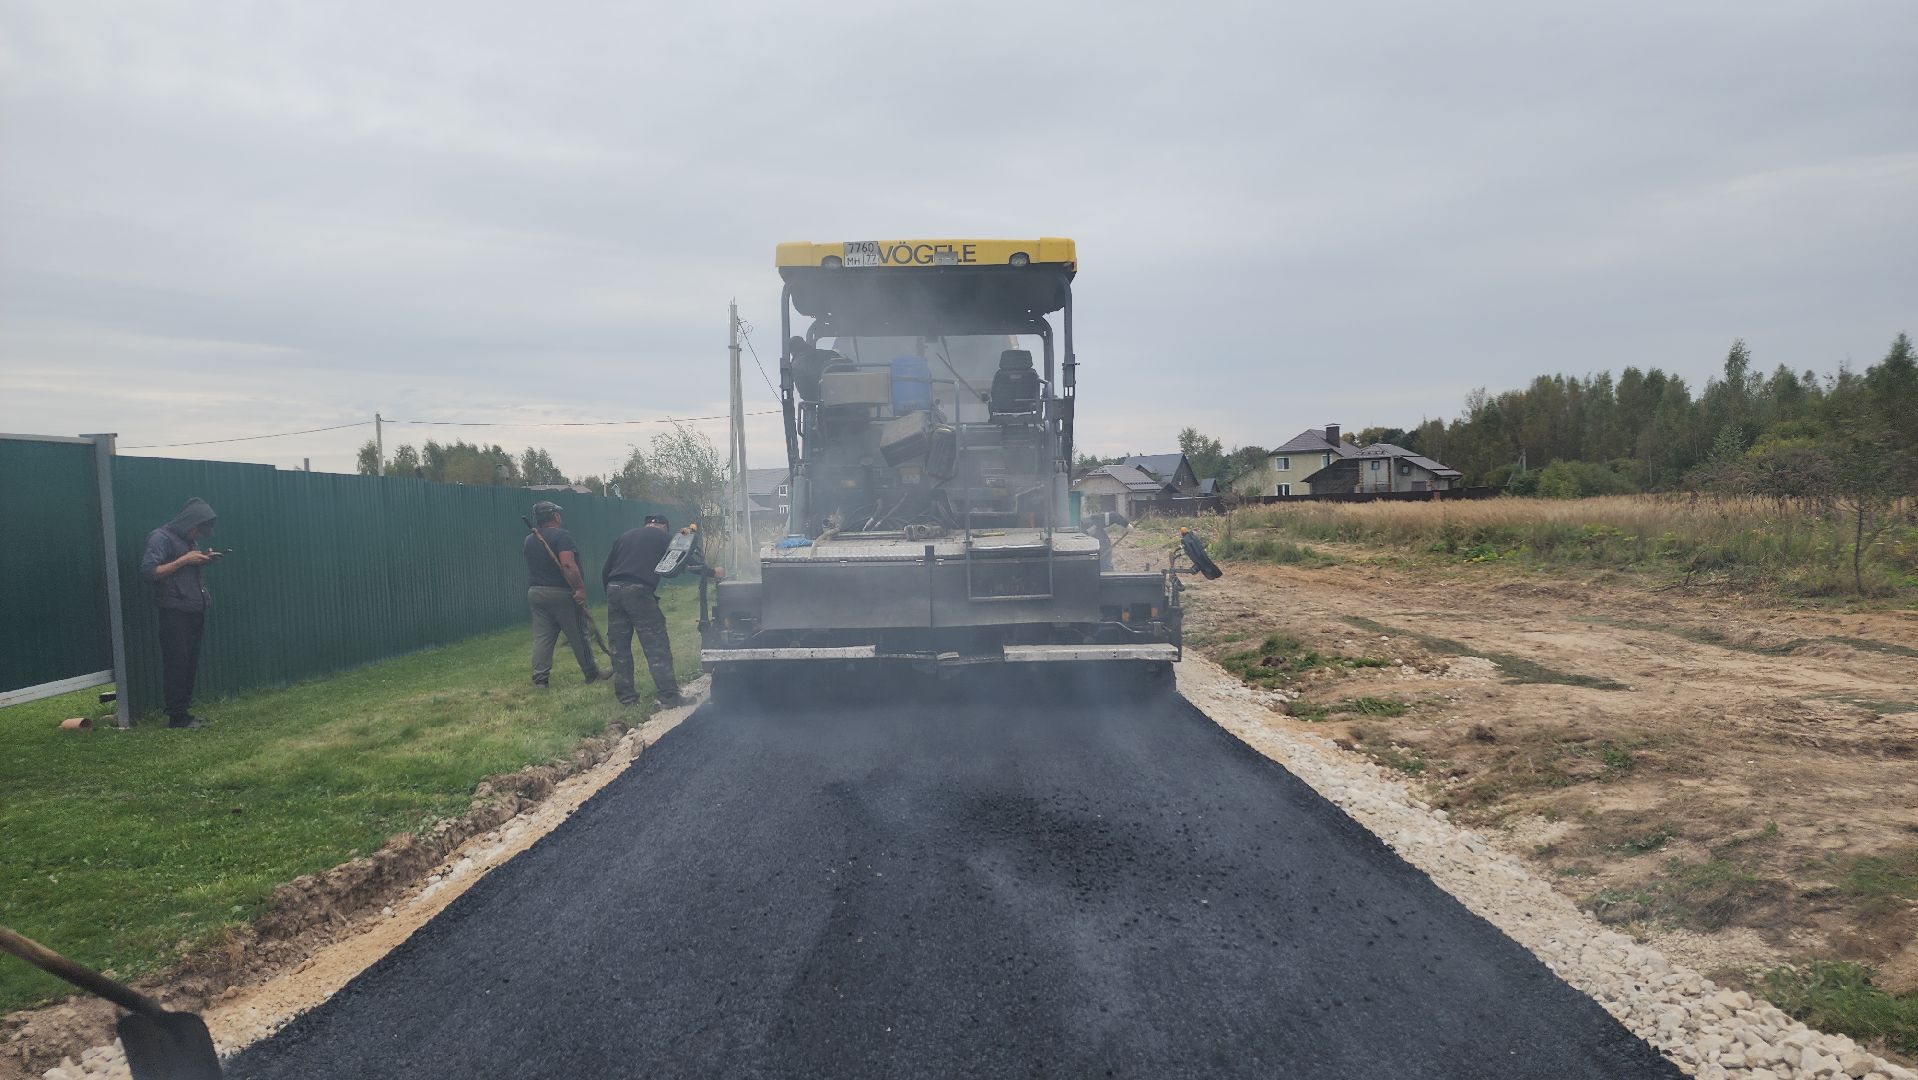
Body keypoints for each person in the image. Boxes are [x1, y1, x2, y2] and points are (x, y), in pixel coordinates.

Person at [139, 497, 220, 729]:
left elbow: (184, 570)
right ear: (188, 522)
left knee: (189, 663)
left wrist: (201, 560)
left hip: (195, 608)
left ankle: (184, 712)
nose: (197, 535)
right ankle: (176, 717)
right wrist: (185, 559)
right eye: (197, 529)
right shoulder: (160, 538)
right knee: (177, 663)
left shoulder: (189, 541)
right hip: (174, 611)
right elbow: (149, 571)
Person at [600, 513, 697, 707]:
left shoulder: (624, 537)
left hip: (614, 589)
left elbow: (605, 570)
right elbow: (683, 561)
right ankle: (670, 696)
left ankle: (627, 698)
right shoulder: (664, 537)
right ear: (664, 527)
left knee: (619, 647)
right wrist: (711, 572)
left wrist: (613, 595)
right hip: (639, 591)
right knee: (656, 644)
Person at [523, 501, 607, 687]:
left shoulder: (530, 539)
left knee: (543, 637)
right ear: (555, 516)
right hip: (561, 592)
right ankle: (591, 673)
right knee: (578, 634)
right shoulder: (562, 536)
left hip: (536, 592)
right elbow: (568, 564)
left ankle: (540, 679)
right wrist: (580, 589)